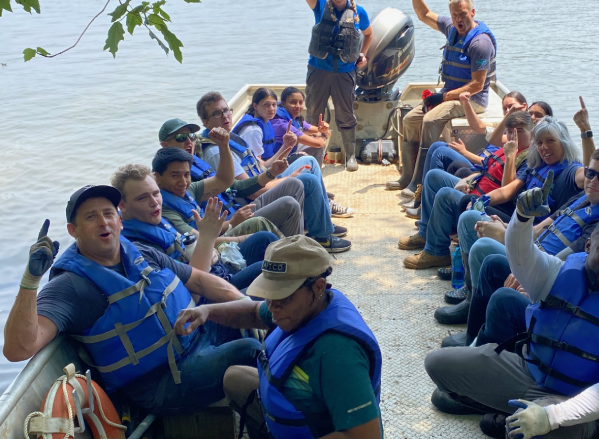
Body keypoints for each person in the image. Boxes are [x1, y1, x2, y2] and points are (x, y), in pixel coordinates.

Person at [3, 186, 261, 413]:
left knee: (265, 305)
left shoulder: (140, 252)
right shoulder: (71, 286)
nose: (103, 222)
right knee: (250, 350)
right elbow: (18, 349)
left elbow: (200, 280)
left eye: (108, 213)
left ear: (120, 220)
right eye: (91, 217)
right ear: (73, 230)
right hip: (163, 381)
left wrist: (248, 306)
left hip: (199, 338)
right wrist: (30, 280)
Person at [424, 187, 599, 439]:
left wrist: (550, 417)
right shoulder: (555, 274)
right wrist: (522, 218)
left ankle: (516, 420)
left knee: (539, 433)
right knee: (437, 364)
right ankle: (510, 415)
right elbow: (521, 255)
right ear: (589, 246)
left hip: (580, 402)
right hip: (530, 373)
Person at [173, 236, 383, 439]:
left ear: (318, 286)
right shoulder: (308, 306)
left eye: (284, 296)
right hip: (302, 408)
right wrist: (208, 311)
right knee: (235, 379)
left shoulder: (338, 354)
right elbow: (254, 312)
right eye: (270, 294)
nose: (272, 306)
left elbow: (365, 435)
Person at [438, 144, 599, 342]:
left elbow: (565, 265)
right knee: (484, 246)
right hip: (533, 253)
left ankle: (480, 341)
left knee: (483, 249)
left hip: (547, 277)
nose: (592, 181)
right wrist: (508, 229)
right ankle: (473, 328)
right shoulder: (584, 199)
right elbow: (538, 231)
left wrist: (511, 248)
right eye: (590, 173)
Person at [387, 0, 497, 197]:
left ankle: (419, 182)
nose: (458, 19)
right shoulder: (451, 28)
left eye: (463, 14)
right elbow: (424, 14)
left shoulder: (480, 43)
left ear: (473, 13)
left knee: (429, 120)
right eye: (455, 14)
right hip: (450, 94)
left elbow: (477, 85)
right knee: (409, 120)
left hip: (472, 100)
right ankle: (407, 175)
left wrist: (443, 96)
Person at [196, 92, 351, 252]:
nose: (225, 116)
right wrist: (288, 178)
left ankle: (322, 220)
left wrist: (285, 148)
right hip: (251, 202)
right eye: (217, 113)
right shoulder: (217, 151)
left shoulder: (231, 138)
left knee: (308, 162)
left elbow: (261, 167)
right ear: (205, 121)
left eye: (226, 110)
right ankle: (322, 236)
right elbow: (252, 193)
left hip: (263, 182)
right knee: (306, 180)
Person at [398, 111, 533, 269]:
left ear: (532, 132)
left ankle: (437, 251)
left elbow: (506, 191)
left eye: (519, 131)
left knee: (445, 194)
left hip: (489, 205)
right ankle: (425, 232)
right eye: (510, 132)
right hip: (476, 187)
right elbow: (486, 168)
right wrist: (470, 179)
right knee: (433, 176)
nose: (513, 136)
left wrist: (510, 156)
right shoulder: (508, 146)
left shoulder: (527, 157)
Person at [112, 164, 278, 291]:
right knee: (267, 269)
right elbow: (192, 286)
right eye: (142, 198)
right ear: (122, 205)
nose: (154, 202)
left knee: (265, 238)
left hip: (217, 267)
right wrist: (207, 241)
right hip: (209, 291)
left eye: (156, 194)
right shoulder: (139, 246)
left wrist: (210, 250)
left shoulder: (154, 220)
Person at [297, 0, 374, 172]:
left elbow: (368, 34)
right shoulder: (320, 5)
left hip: (344, 73)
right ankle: (313, 157)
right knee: (313, 114)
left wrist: (363, 54)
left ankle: (350, 156)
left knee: (345, 114)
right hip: (318, 71)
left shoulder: (358, 12)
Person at [232, 87, 355, 220]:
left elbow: (317, 132)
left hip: (269, 168)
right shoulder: (255, 130)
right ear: (255, 106)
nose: (271, 109)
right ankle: (325, 206)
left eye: (273, 105)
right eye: (266, 105)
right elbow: (261, 168)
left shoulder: (268, 121)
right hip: (263, 179)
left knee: (308, 157)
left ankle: (321, 196)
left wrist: (288, 146)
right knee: (309, 161)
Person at [153, 146, 306, 241]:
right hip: (219, 240)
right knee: (288, 205)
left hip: (228, 221)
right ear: (157, 178)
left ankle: (296, 248)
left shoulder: (189, 189)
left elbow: (224, 180)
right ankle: (294, 256)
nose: (182, 182)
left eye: (186, 175)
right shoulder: (163, 208)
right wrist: (232, 223)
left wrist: (223, 144)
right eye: (174, 176)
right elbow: (199, 240)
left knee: (294, 183)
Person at [271, 86, 332, 167]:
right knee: (318, 146)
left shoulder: (294, 118)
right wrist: (323, 135)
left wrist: (324, 129)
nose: (298, 106)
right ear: (283, 103)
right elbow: (319, 144)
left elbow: (321, 131)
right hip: (279, 162)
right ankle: (315, 176)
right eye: (293, 102)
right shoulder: (283, 125)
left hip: (291, 151)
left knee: (315, 136)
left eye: (300, 102)